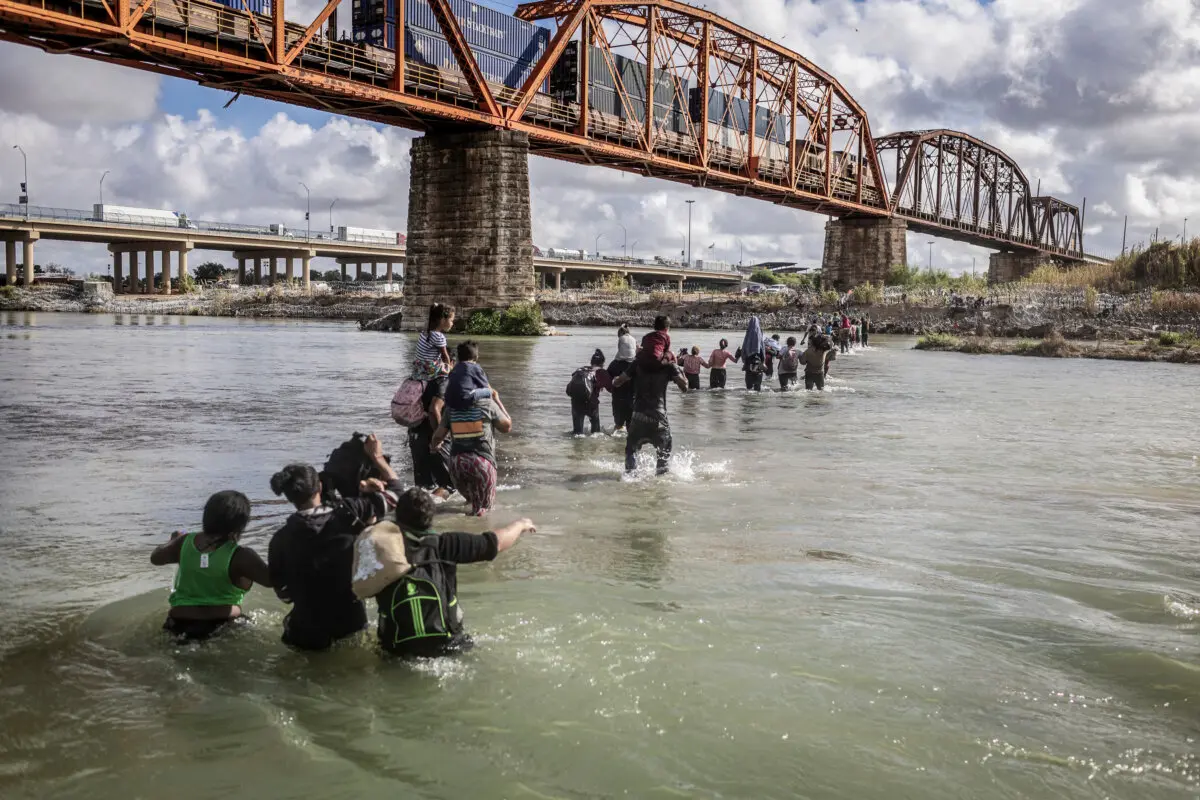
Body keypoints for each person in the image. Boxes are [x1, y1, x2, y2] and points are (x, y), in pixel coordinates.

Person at [269, 435, 402, 651]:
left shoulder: (280, 540)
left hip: (304, 631)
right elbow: (397, 494)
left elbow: (284, 593)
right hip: (350, 623)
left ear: (289, 497)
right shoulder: (349, 514)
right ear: (319, 486)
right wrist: (377, 458)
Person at [374, 488, 536, 657]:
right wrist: (521, 524)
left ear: (397, 519)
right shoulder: (447, 545)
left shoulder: (382, 552)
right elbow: (496, 543)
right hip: (447, 646)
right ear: (431, 517)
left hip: (397, 652)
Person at [151, 490, 271, 641]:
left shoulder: (184, 543)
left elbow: (155, 558)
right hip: (225, 625)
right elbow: (272, 580)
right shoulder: (241, 556)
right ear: (240, 525)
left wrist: (174, 541)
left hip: (178, 623)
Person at [432, 342, 513, 515]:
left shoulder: (452, 407)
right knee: (483, 513)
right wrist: (497, 399)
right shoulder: (487, 403)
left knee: (469, 504)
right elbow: (507, 426)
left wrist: (435, 446)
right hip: (481, 463)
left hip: (457, 465)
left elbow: (437, 437)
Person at [613, 353, 688, 475]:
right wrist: (677, 367)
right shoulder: (669, 366)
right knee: (663, 457)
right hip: (659, 419)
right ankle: (660, 484)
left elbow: (618, 382)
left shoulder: (637, 364)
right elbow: (685, 387)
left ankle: (630, 480)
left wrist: (614, 379)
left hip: (638, 417)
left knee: (631, 451)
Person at [408, 372, 456, 501]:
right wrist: (439, 438)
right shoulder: (443, 380)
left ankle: (417, 510)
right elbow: (434, 409)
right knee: (449, 485)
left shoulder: (417, 377)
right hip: (433, 437)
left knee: (423, 487)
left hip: (415, 435)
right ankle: (431, 504)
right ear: (448, 361)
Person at [566, 348, 613, 435]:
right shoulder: (602, 372)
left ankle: (577, 447)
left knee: (577, 434)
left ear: (591, 362)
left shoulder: (580, 370)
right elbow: (611, 389)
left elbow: (570, 389)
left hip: (576, 402)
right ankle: (593, 446)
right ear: (603, 363)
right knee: (596, 433)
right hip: (591, 403)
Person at [412, 303, 454, 381]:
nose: (452, 323)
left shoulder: (425, 331)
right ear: (443, 320)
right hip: (428, 369)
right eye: (451, 320)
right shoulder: (439, 336)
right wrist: (449, 368)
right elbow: (445, 356)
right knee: (451, 361)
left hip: (418, 367)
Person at [608, 325, 637, 433]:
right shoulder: (637, 365)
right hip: (633, 401)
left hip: (618, 401)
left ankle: (617, 449)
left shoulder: (614, 364)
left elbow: (607, 382)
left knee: (618, 426)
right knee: (631, 428)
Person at [737, 316, 766, 392]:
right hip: (758, 364)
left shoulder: (748, 332)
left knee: (749, 389)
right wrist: (763, 362)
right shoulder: (760, 332)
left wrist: (744, 360)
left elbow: (744, 348)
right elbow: (762, 349)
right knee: (757, 389)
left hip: (748, 365)